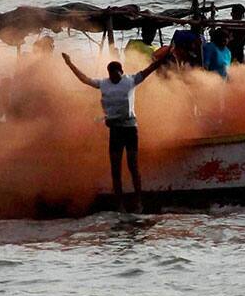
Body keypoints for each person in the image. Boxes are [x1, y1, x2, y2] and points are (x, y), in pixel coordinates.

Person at [62, 52, 168, 212]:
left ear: (121, 72)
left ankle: (138, 200)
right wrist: (70, 64)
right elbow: (84, 79)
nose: (114, 78)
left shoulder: (130, 81)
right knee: (116, 168)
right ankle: (120, 204)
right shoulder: (104, 84)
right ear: (109, 74)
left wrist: (163, 59)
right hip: (115, 130)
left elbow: (149, 69)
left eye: (116, 75)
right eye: (112, 75)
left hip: (130, 129)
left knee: (133, 166)